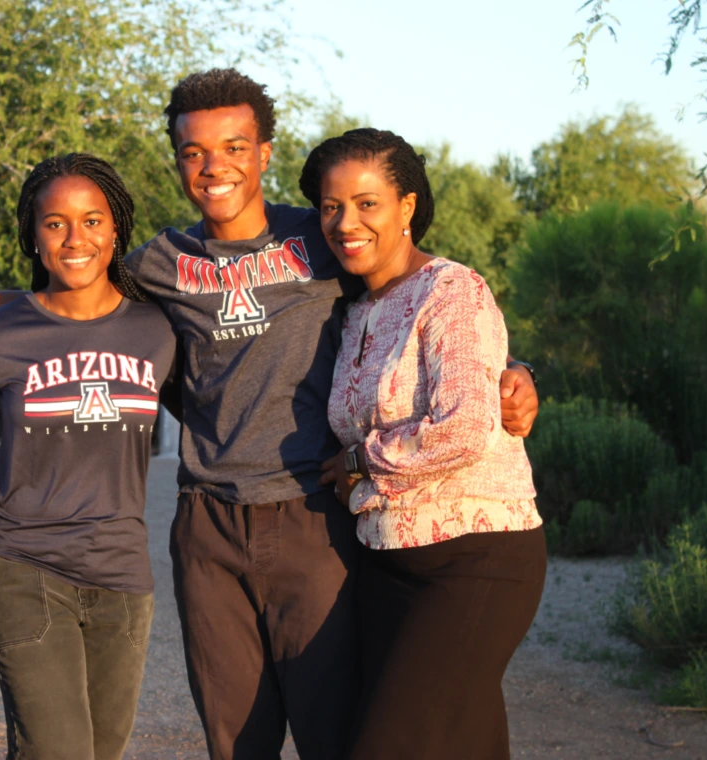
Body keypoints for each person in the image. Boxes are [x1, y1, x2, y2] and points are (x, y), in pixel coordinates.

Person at [119, 69, 541, 759]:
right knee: (237, 742)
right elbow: (79, 306)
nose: (213, 166)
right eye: (193, 152)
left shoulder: (323, 242)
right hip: (210, 523)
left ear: (264, 154)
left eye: (233, 147)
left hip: (314, 518)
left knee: (342, 737)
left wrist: (518, 371)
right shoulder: (159, 263)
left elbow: (438, 307)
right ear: (176, 160)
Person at [302, 128, 545, 759]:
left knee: (389, 745)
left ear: (407, 207)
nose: (345, 222)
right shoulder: (353, 310)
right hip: (387, 564)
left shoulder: (452, 291)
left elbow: (464, 426)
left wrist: (360, 459)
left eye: (366, 203)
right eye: (331, 207)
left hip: (475, 561)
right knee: (464, 743)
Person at [0, 154, 177, 760]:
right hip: (25, 567)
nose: (75, 238)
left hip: (124, 577)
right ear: (32, 233)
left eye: (92, 221)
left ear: (116, 230)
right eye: (55, 223)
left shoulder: (158, 330)